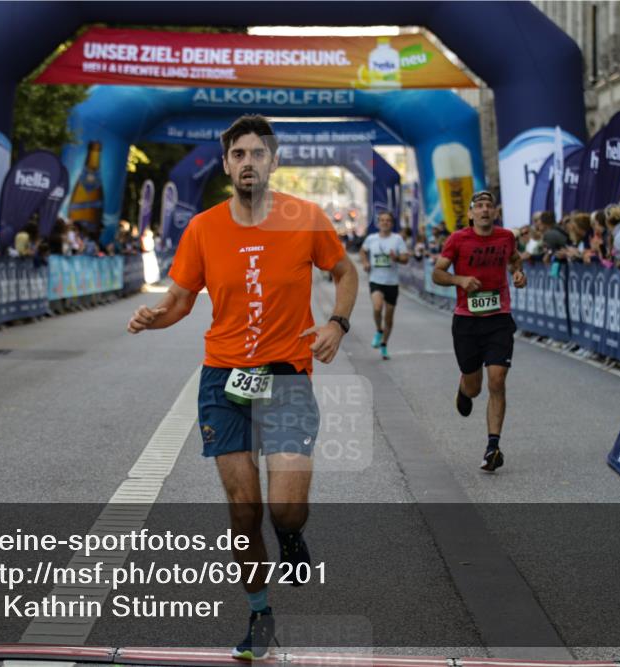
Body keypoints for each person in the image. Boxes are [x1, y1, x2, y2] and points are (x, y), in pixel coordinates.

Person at [127, 114, 358, 660]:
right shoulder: (204, 228)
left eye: (257, 153)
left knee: (285, 509)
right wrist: (154, 318)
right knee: (243, 508)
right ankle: (259, 612)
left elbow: (344, 273)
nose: (247, 162)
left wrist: (336, 323)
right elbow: (180, 300)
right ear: (226, 164)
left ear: (273, 161)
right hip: (223, 379)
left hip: (287, 377)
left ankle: (292, 535)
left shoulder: (306, 218)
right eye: (238, 154)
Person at [432, 191, 526, 472]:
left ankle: (492, 447)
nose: (485, 210)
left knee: (497, 380)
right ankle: (464, 388)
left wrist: (518, 274)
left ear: (495, 213)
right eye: (479, 206)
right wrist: (459, 280)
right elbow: (437, 273)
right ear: (471, 214)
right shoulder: (457, 239)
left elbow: (515, 260)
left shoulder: (506, 237)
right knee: (475, 388)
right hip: (467, 322)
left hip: (499, 319)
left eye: (489, 206)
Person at [359, 211, 409, 359]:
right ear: (378, 223)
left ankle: (384, 345)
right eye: (382, 220)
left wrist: (396, 257)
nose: (385, 223)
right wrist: (365, 262)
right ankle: (379, 331)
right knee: (377, 307)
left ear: (392, 224)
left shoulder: (397, 239)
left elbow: (405, 259)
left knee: (388, 317)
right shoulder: (371, 238)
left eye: (388, 220)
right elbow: (362, 251)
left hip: (392, 283)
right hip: (376, 280)